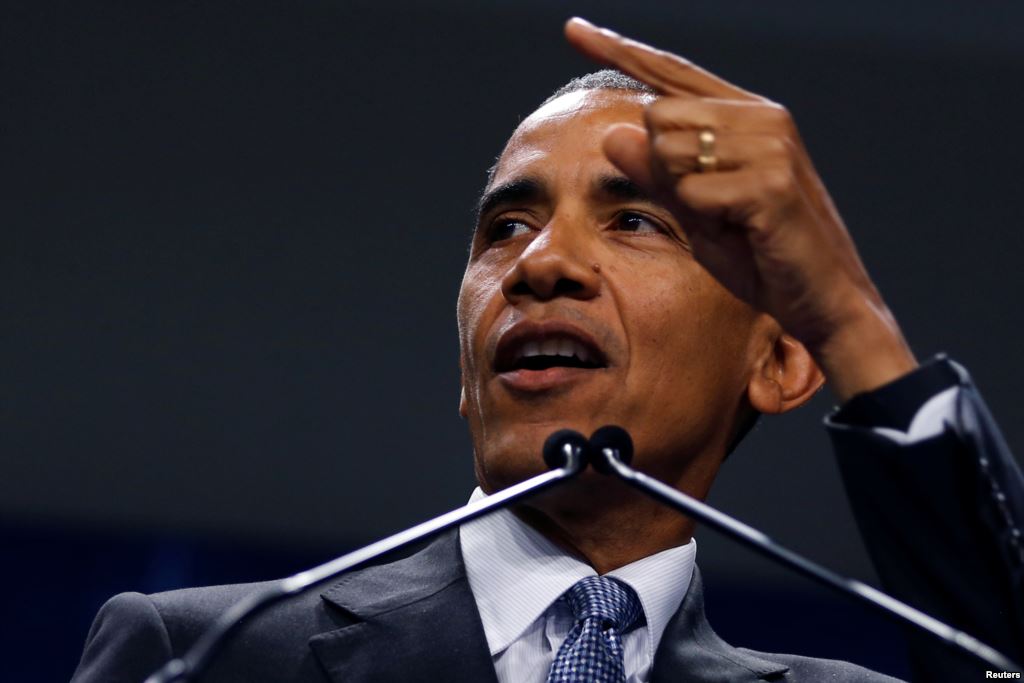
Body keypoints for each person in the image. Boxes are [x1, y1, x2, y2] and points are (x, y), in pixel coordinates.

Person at [72, 18, 1024, 683]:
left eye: (638, 221)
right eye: (506, 227)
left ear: (780, 363)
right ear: (466, 370)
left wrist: (853, 321)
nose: (541, 263)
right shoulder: (207, 656)